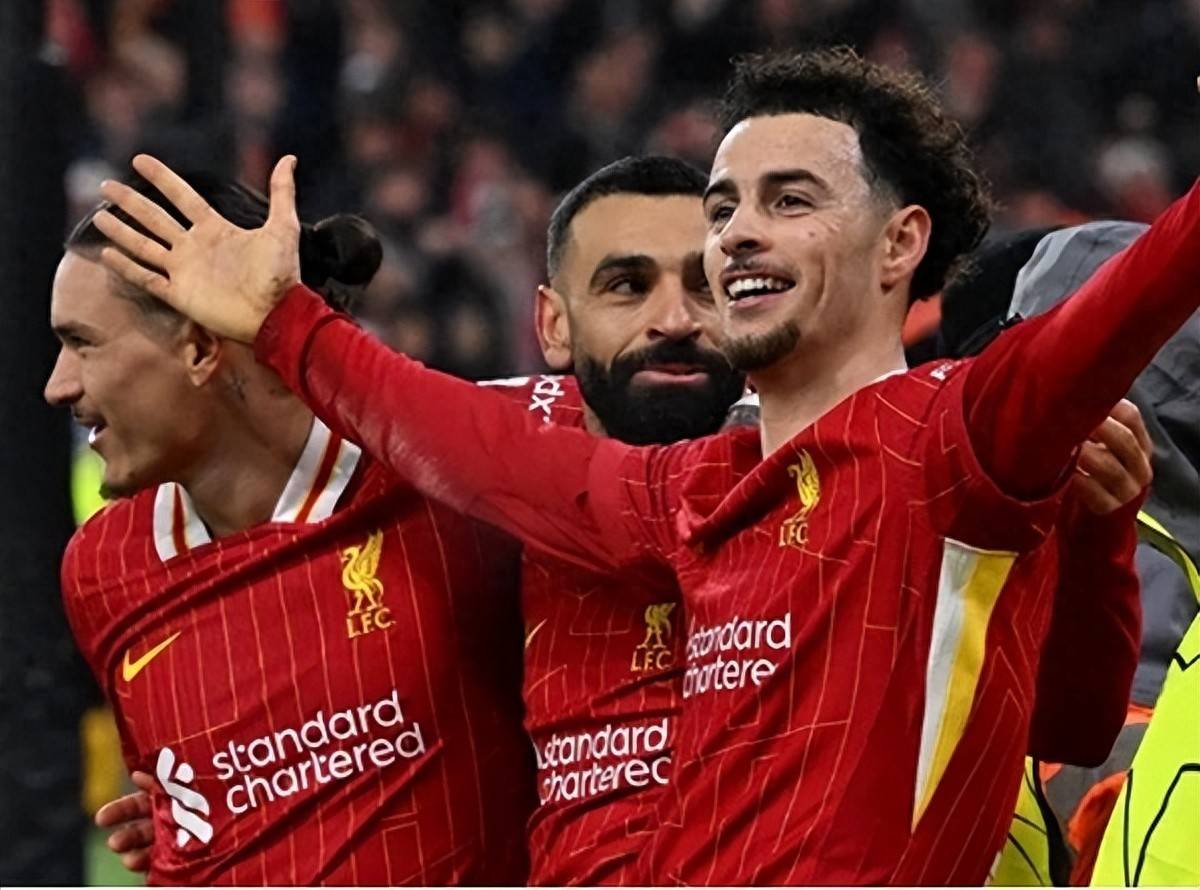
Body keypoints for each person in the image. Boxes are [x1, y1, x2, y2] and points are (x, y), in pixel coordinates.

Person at [96, 36, 1199, 875]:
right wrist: (286, 325)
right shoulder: (685, 491)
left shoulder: (957, 436)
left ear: (901, 242)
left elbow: (1142, 292)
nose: (737, 234)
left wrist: (1095, 534)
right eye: (725, 207)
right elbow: (465, 448)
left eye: (790, 200)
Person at [47, 173, 535, 884]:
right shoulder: (102, 567)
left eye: (82, 344)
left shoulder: (455, 484)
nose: (58, 385)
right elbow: (186, 798)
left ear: (198, 348)